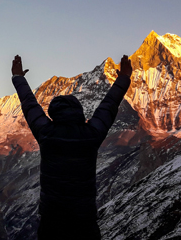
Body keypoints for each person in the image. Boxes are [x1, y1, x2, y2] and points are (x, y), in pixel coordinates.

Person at [11, 54, 132, 239]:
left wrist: (18, 78)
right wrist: (123, 78)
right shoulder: (91, 134)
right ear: (79, 112)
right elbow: (109, 105)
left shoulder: (46, 133)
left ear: (53, 114)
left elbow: (29, 105)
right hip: (84, 219)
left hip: (52, 220)